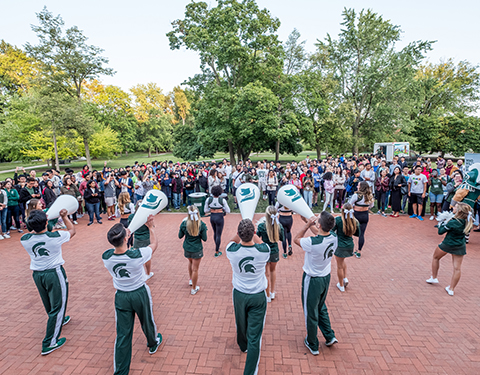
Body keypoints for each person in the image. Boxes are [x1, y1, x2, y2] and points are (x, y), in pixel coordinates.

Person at [103, 218, 162, 375]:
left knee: (123, 334)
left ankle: (121, 371)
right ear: (124, 238)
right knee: (147, 320)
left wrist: (125, 236)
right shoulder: (137, 255)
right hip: (139, 293)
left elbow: (117, 249)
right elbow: (153, 245)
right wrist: (151, 228)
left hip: (121, 296)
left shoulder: (106, 257)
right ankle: (152, 343)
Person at [20, 208, 76, 355]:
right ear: (46, 222)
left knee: (49, 303)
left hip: (38, 274)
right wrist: (64, 217)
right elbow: (72, 230)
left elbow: (31, 233)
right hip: (54, 273)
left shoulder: (25, 240)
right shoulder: (55, 236)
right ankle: (50, 342)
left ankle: (59, 320)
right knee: (59, 304)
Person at [226, 219, 270, 375]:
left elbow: (232, 240)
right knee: (255, 336)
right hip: (258, 295)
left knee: (241, 323)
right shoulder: (264, 251)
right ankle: (250, 372)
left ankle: (242, 345)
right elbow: (260, 243)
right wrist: (254, 232)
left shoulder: (231, 250)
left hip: (239, 294)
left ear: (239, 234)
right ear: (254, 233)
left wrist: (240, 234)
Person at [294, 212, 338, 356]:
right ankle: (329, 335)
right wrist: (309, 222)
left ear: (319, 225)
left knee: (310, 311)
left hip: (312, 279)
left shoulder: (312, 243)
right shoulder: (334, 237)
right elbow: (321, 233)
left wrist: (307, 225)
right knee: (321, 307)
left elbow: (296, 239)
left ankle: (312, 343)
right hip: (325, 277)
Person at [426, 203, 473, 296]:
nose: (453, 207)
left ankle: (434, 277)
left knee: (435, 257)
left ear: (459, 210)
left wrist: (441, 223)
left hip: (448, 243)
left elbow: (440, 232)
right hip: (460, 245)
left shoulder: (453, 222)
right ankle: (451, 289)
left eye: (455, 207)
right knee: (457, 268)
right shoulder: (467, 221)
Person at [255, 206, 284, 302]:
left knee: (266, 273)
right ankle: (272, 292)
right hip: (274, 251)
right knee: (273, 271)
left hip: (265, 251)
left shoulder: (261, 226)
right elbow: (282, 239)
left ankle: (267, 295)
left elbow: (257, 237)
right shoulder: (279, 227)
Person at [178, 206, 208, 295]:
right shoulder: (201, 225)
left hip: (187, 248)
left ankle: (191, 280)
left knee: (190, 262)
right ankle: (194, 288)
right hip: (197, 249)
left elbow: (180, 236)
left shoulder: (184, 224)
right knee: (195, 269)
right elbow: (205, 238)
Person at [332, 203, 360, 291]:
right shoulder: (355, 221)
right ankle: (345, 278)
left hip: (340, 245)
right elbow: (358, 234)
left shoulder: (338, 220)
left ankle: (341, 285)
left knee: (339, 265)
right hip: (349, 245)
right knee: (342, 261)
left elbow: (332, 231)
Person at [349, 181, 374, 259]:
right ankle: (359, 251)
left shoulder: (356, 195)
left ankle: (349, 249)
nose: (357, 186)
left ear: (361, 187)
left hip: (356, 215)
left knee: (350, 232)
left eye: (358, 185)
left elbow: (349, 204)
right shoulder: (369, 195)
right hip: (365, 215)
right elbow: (371, 205)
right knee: (361, 234)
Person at [204, 185, 230, 257]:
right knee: (219, 234)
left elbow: (205, 210)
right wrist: (222, 208)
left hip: (212, 217)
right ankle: (217, 251)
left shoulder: (208, 200)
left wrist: (211, 209)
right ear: (220, 192)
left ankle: (217, 246)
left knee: (215, 232)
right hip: (219, 217)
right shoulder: (222, 200)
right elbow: (228, 211)